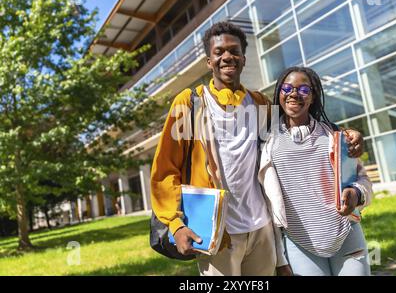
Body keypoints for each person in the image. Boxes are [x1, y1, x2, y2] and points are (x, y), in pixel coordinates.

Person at [150, 21, 364, 276]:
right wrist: (175, 223)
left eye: (234, 51)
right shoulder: (190, 103)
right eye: (219, 52)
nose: (227, 56)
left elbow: (299, 125)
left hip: (261, 229)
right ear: (209, 61)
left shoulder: (260, 104)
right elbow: (165, 170)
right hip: (218, 232)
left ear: (243, 59)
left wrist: (349, 135)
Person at [258, 66, 373, 276]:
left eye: (304, 90)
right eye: (287, 88)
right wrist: (279, 258)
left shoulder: (334, 135)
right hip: (299, 242)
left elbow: (363, 179)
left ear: (313, 97)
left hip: (346, 234)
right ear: (279, 93)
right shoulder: (266, 142)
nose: (294, 94)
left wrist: (356, 194)